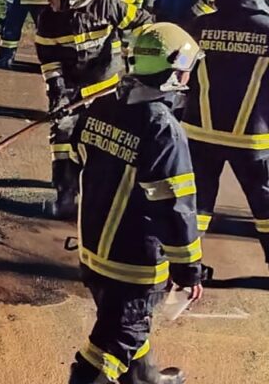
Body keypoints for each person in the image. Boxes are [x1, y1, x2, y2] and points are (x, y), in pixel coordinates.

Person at [67, 22, 204, 384]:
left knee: (125, 322)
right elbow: (174, 206)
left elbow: (77, 156)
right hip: (135, 266)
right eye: (187, 70)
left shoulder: (101, 105)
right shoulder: (163, 129)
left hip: (94, 252)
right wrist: (189, 271)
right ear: (175, 72)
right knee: (113, 343)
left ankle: (147, 379)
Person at [36, 0, 153, 219]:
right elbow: (48, 58)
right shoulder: (48, 19)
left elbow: (143, 24)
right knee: (63, 136)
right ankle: (65, 196)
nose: (48, 1)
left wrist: (134, 62)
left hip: (108, 87)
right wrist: (56, 90)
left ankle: (106, 198)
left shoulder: (108, 5)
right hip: (71, 89)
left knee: (106, 140)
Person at [181, 0, 269, 270]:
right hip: (253, 138)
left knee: (197, 204)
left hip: (199, 133)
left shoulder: (200, 25)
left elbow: (178, 74)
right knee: (265, 207)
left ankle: (187, 267)